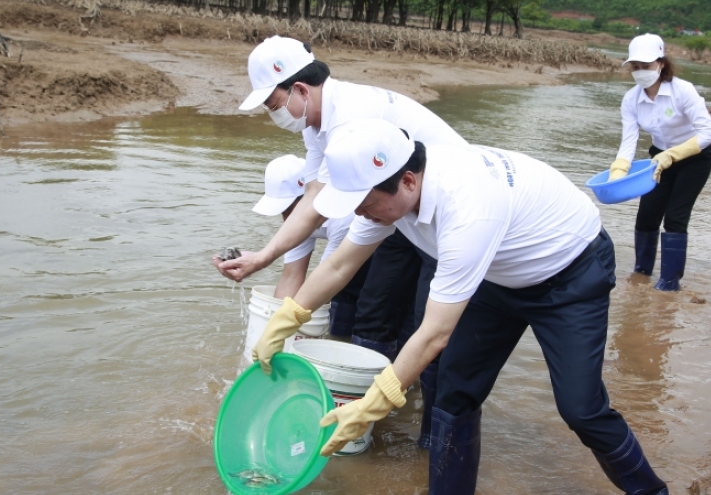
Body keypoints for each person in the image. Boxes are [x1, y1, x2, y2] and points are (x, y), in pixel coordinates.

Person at [252, 118, 669, 494]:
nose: (361, 213)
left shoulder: (467, 208)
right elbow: (342, 263)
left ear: (409, 182)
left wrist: (370, 405)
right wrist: (285, 320)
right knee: (453, 397)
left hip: (569, 272)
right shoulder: (383, 192)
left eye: (365, 204)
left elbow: (434, 333)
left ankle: (650, 491)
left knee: (581, 409)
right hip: (495, 274)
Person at [213, 35, 471, 446]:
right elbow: (315, 198)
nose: (274, 115)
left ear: (299, 89)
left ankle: (429, 442)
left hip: (446, 216)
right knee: (374, 316)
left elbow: (330, 228)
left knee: (430, 327)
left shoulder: (353, 122)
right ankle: (375, 421)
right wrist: (264, 259)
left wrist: (289, 309)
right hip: (395, 212)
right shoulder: (318, 127)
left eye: (274, 106)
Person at [608, 33, 711, 291]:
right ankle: (641, 273)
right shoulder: (631, 100)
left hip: (695, 157)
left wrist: (672, 155)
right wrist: (618, 172)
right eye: (635, 67)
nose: (640, 72)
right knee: (647, 216)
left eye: (646, 66)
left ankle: (669, 282)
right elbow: (629, 141)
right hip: (659, 157)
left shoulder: (683, 91)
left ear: (661, 64)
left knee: (675, 218)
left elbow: (708, 133)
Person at [251, 154, 369, 336]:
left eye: (290, 208)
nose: (286, 218)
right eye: (282, 211)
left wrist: (289, 325)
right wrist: (273, 327)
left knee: (359, 307)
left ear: (309, 196)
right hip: (341, 258)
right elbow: (291, 276)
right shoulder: (298, 222)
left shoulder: (343, 217)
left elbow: (329, 276)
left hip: (376, 243)